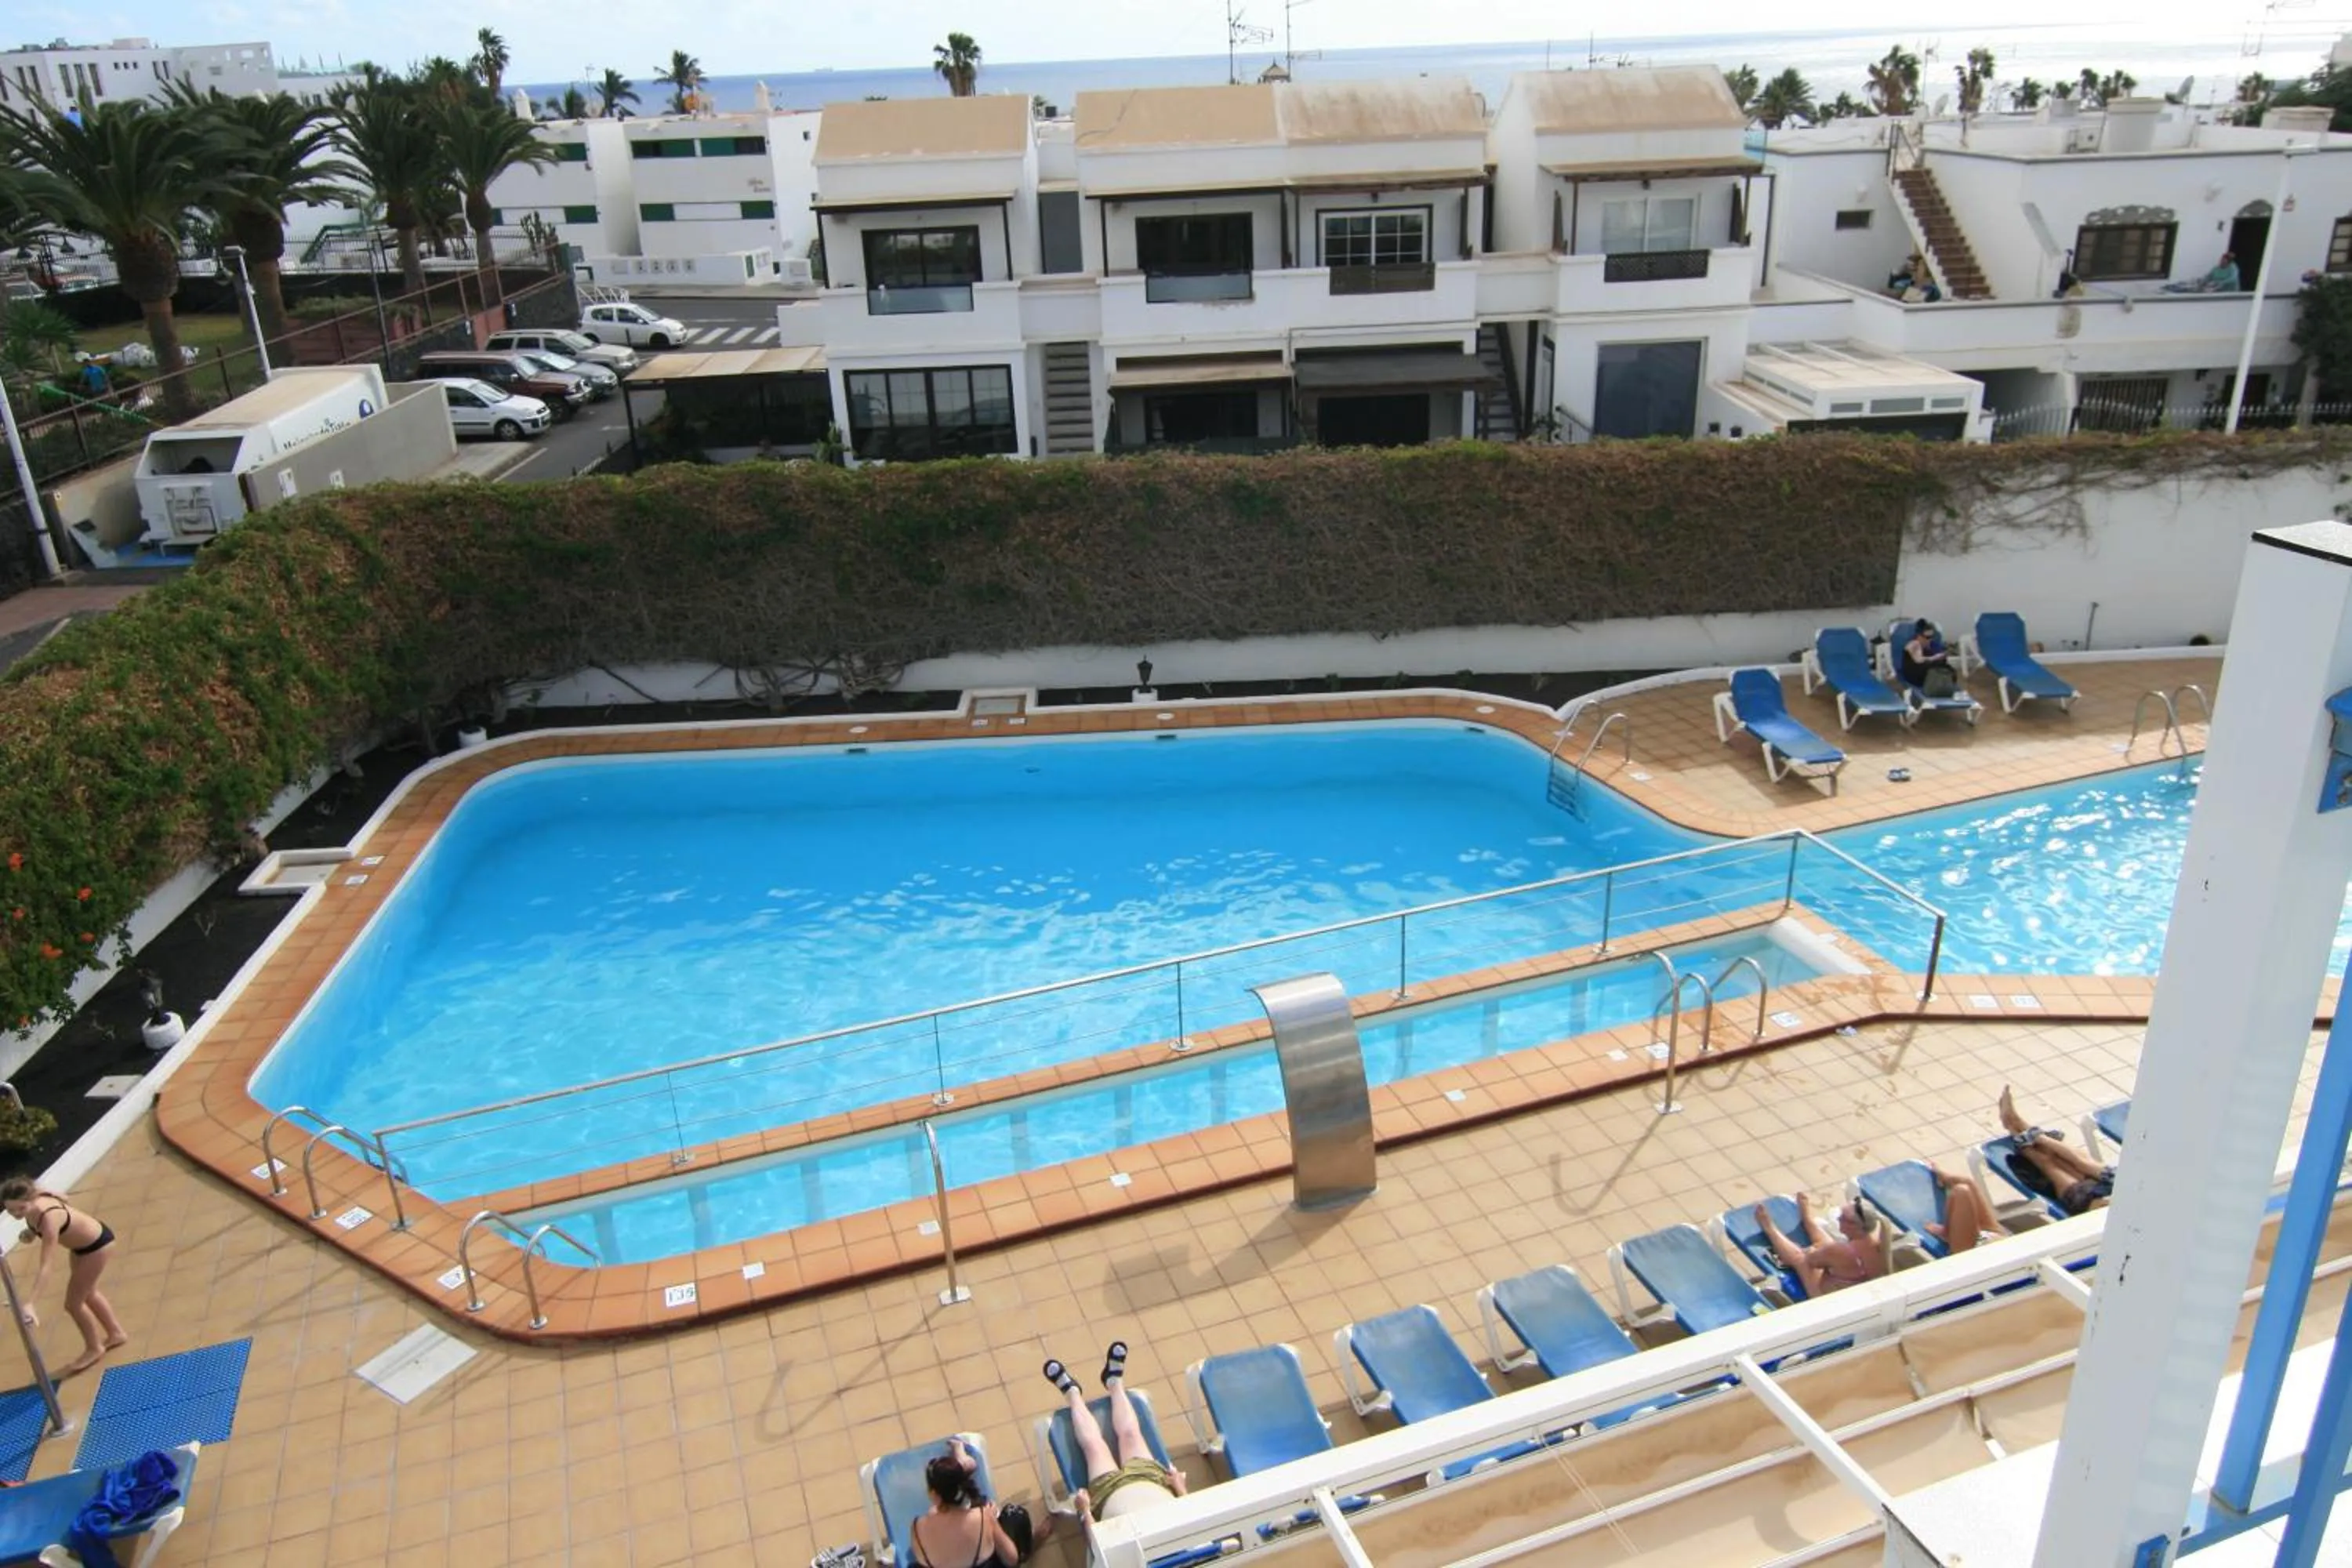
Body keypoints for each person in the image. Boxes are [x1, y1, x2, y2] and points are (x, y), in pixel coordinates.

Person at [1043, 1341, 1186, 1524]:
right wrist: (1181, 1490)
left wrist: (1085, 1510)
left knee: (1094, 1447)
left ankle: (1072, 1394)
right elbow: (1191, 1515)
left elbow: (1095, 1538)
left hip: (1107, 1493)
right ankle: (1114, 1382)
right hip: (1151, 1479)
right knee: (1131, 1434)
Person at [1, 1178, 127, 1376]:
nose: (17, 1214)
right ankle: (116, 1334)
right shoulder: (34, 1201)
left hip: (96, 1248)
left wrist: (31, 1303)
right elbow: (56, 1201)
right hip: (82, 1247)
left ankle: (94, 1348)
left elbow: (46, 1265)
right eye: (11, 1211)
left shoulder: (49, 1218)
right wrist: (31, 1232)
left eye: (21, 1209)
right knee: (88, 1293)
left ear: (31, 1199)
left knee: (73, 1304)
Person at [908, 1437, 1033, 1568]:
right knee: (1014, 1513)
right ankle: (1026, 1552)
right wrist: (992, 1520)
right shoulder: (982, 1517)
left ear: (933, 1494)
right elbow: (1011, 1560)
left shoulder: (917, 1527)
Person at [1998, 1086, 2116, 1215]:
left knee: (2055, 1166)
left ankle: (2024, 1135)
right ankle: (2028, 1133)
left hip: (2100, 1207)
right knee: (2084, 1165)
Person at [1753, 1194, 1887, 1299]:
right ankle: (1807, 1219)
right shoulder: (1875, 1240)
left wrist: (1812, 1251)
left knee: (1800, 1258)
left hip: (1827, 1297)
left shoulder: (1841, 1251)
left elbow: (1811, 1261)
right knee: (1828, 1246)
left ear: (1855, 1226)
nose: (1838, 1218)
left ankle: (1769, 1228)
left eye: (1843, 1217)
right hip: (1854, 1290)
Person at [1899, 619, 1956, 695]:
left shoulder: (1930, 645)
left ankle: (1943, 684)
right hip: (1913, 673)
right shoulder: (1914, 644)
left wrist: (1941, 657)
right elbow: (1919, 660)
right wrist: (1935, 658)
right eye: (1927, 637)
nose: (1930, 640)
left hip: (1925, 671)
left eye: (1931, 637)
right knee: (1937, 667)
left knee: (1948, 669)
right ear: (1919, 636)